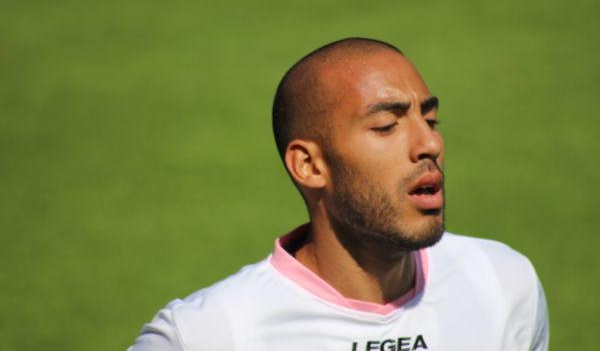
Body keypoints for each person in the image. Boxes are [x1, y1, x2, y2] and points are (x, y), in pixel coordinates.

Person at [128, 38, 549, 351]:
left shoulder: (502, 284)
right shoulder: (208, 336)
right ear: (310, 165)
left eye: (431, 119)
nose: (430, 144)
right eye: (386, 127)